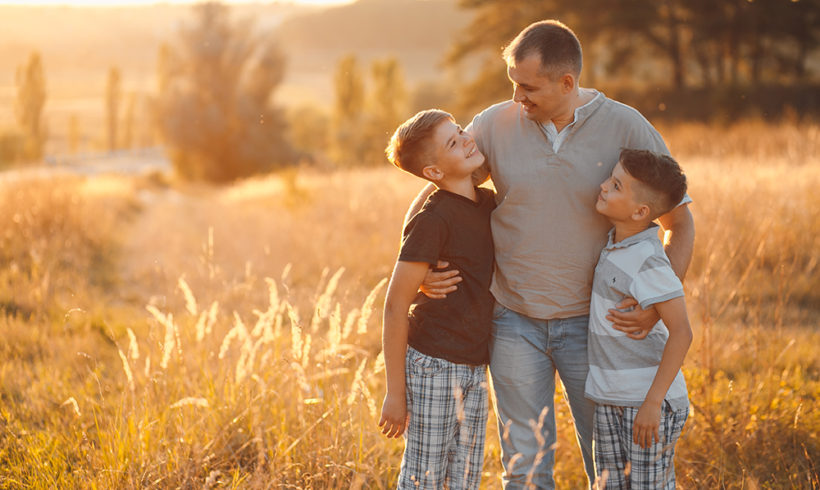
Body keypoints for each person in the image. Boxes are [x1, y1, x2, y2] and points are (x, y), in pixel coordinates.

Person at [411, 20, 695, 489]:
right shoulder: (495, 124)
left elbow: (679, 222)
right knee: (524, 467)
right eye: (513, 84)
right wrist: (418, 270)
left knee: (607, 464)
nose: (517, 97)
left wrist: (659, 304)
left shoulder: (627, 126)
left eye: (528, 87)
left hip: (596, 327)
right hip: (513, 321)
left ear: (567, 82)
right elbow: (438, 186)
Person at [378, 109, 496, 489]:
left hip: (475, 366)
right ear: (432, 173)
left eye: (460, 131)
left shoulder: (488, 204)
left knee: (464, 478)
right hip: (433, 365)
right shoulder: (434, 219)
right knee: (423, 478)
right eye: (452, 142)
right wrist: (395, 393)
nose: (465, 139)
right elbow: (396, 306)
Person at [585, 148, 692, 489]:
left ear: (641, 212)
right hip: (610, 397)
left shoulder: (649, 259)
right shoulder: (616, 244)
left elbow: (682, 333)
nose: (603, 186)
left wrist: (652, 403)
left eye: (616, 185)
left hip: (646, 402)